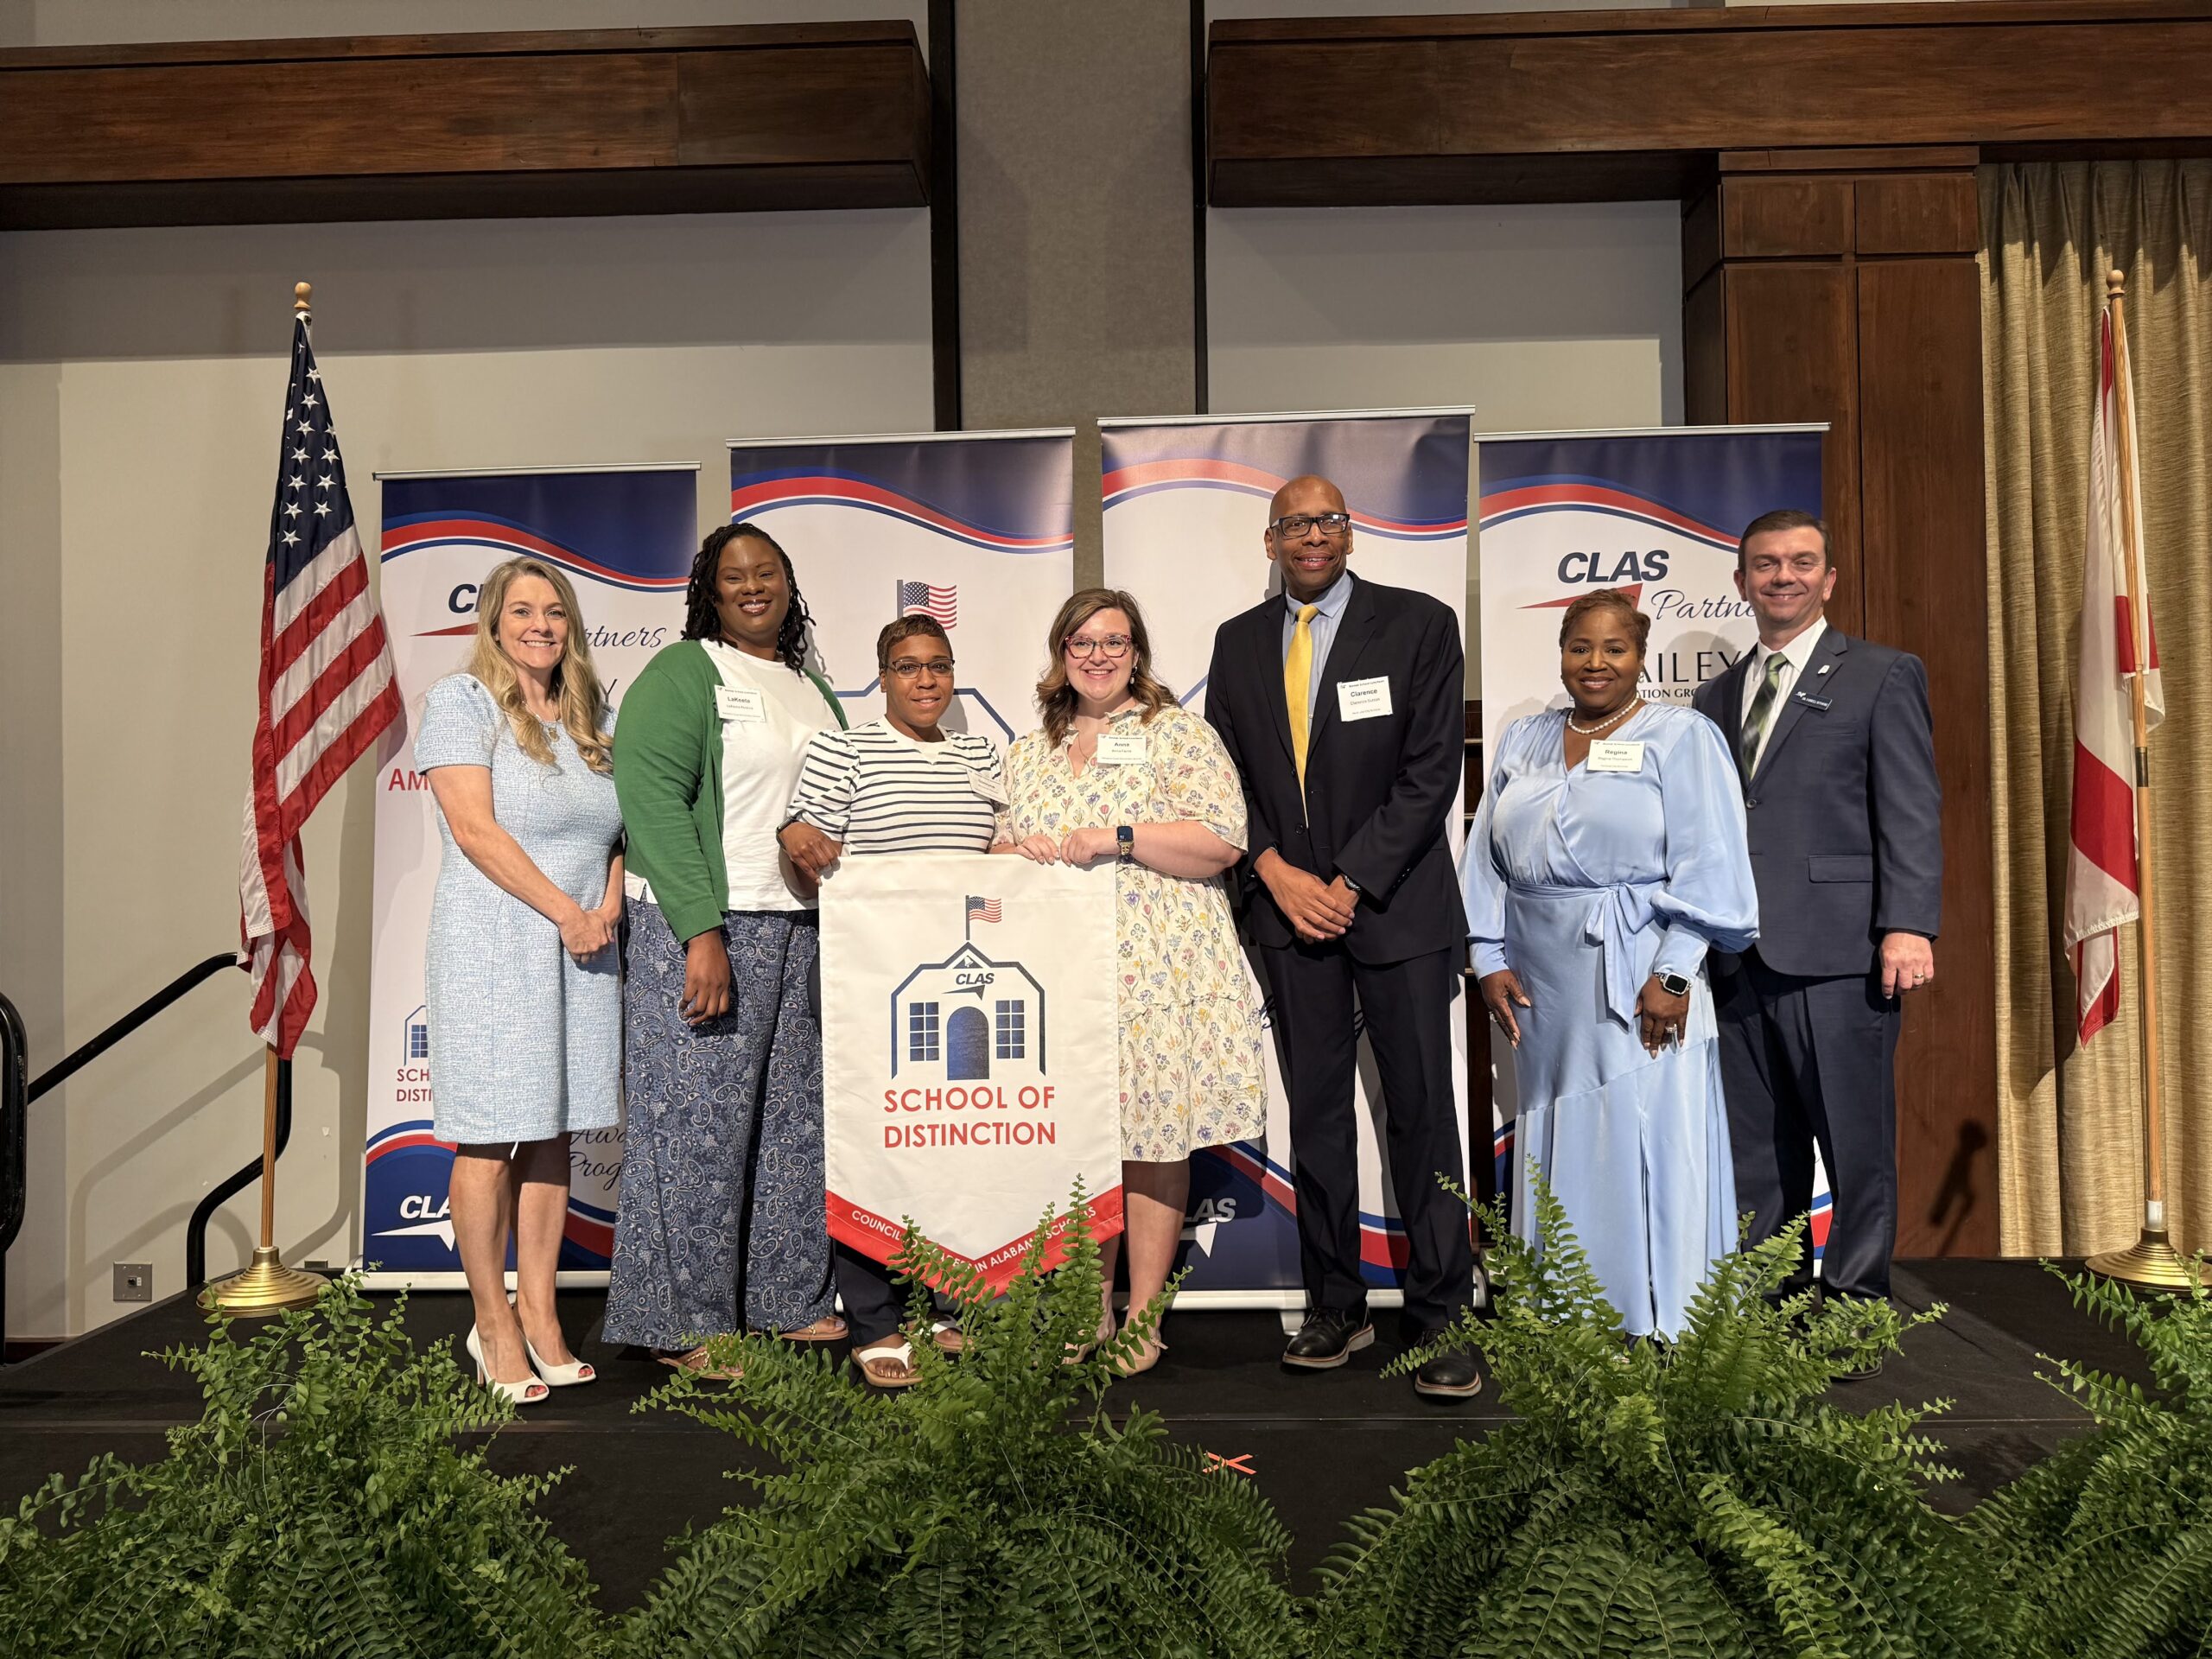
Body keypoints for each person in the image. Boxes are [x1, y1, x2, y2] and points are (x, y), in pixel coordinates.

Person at [1203, 474, 1479, 1399]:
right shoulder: (1237, 642)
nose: (1310, 537)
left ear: (1350, 532)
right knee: (1316, 1117)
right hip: (1288, 919)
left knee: (1419, 1114)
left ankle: (1441, 1315)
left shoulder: (1420, 624)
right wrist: (1275, 873)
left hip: (1395, 911)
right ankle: (1335, 1305)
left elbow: (1431, 772)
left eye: (1325, 521)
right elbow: (1224, 779)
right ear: (1269, 538)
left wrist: (1350, 879)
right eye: (1293, 524)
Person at [1460, 589, 1758, 1338]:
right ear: (1561, 652)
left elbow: (1712, 861)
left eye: (1614, 649)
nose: (1595, 663)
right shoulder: (1524, 739)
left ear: (1641, 657)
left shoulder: (1681, 736)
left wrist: (1677, 970)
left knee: (1646, 1126)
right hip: (1540, 979)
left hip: (1643, 967)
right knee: (1562, 1124)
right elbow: (1485, 859)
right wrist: (1487, 954)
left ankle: (1659, 1316)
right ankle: (1565, 1312)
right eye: (1580, 648)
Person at [1690, 509, 1941, 1365]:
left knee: (1853, 1139)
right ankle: (1768, 1294)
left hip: (1842, 952)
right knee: (1756, 1145)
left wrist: (1907, 923)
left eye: (1800, 563)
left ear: (1828, 579)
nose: (1782, 577)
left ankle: (1855, 1301)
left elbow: (1909, 807)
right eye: (1764, 565)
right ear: (1740, 582)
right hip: (1736, 956)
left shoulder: (1880, 675)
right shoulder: (1714, 697)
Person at [1001, 589, 1265, 1375]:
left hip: (1159, 965)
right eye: (1081, 642)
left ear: (1138, 653)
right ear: (1060, 654)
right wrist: (1023, 855)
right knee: (1081, 1142)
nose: (1098, 655)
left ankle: (1144, 1318)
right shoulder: (1028, 748)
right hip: (1060, 973)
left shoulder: (1176, 734)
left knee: (1152, 1141)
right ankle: (1089, 1308)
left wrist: (1117, 837)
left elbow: (1222, 841)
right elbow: (998, 852)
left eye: (1114, 641)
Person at [604, 522, 848, 1375]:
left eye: (767, 571)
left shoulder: (812, 687)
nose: (753, 586)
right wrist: (701, 932)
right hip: (706, 928)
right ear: (710, 591)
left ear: (788, 583)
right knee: (696, 1131)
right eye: (734, 575)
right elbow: (654, 804)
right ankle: (683, 1322)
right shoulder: (683, 675)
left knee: (792, 1130)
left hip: (801, 928)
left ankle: (789, 1298)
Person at [779, 614, 1008, 1388]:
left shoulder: (982, 754)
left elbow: (1005, 850)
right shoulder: (845, 748)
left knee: (953, 1140)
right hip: (869, 977)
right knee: (872, 1145)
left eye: (939, 665)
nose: (925, 680)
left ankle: (951, 1303)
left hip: (966, 985)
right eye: (908, 667)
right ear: (882, 677)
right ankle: (877, 1316)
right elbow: (805, 844)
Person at [416, 556, 624, 1403]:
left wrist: (604, 904)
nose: (540, 625)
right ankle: (492, 1321)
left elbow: (616, 835)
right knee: (490, 1135)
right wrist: (565, 913)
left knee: (554, 1132)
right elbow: (475, 830)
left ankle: (540, 1314)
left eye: (554, 612)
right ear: (495, 622)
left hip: (586, 947)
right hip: (497, 946)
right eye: (522, 611)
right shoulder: (461, 704)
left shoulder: (591, 716)